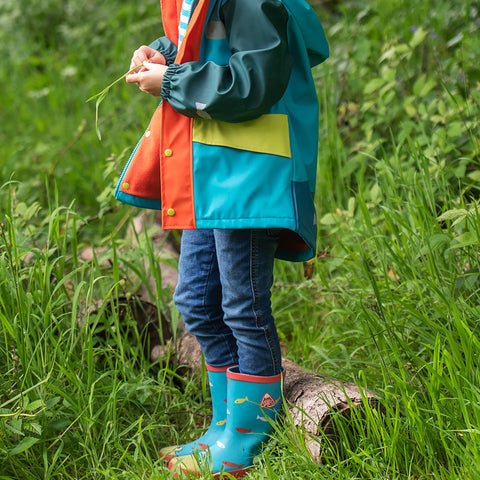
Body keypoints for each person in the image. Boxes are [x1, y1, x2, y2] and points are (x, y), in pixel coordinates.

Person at [116, 0, 328, 477]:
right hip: (211, 171)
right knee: (195, 301)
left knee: (243, 308)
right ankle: (226, 425)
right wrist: (162, 53)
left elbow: (252, 82)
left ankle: (247, 442)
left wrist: (170, 83)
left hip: (251, 175)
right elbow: (200, 40)